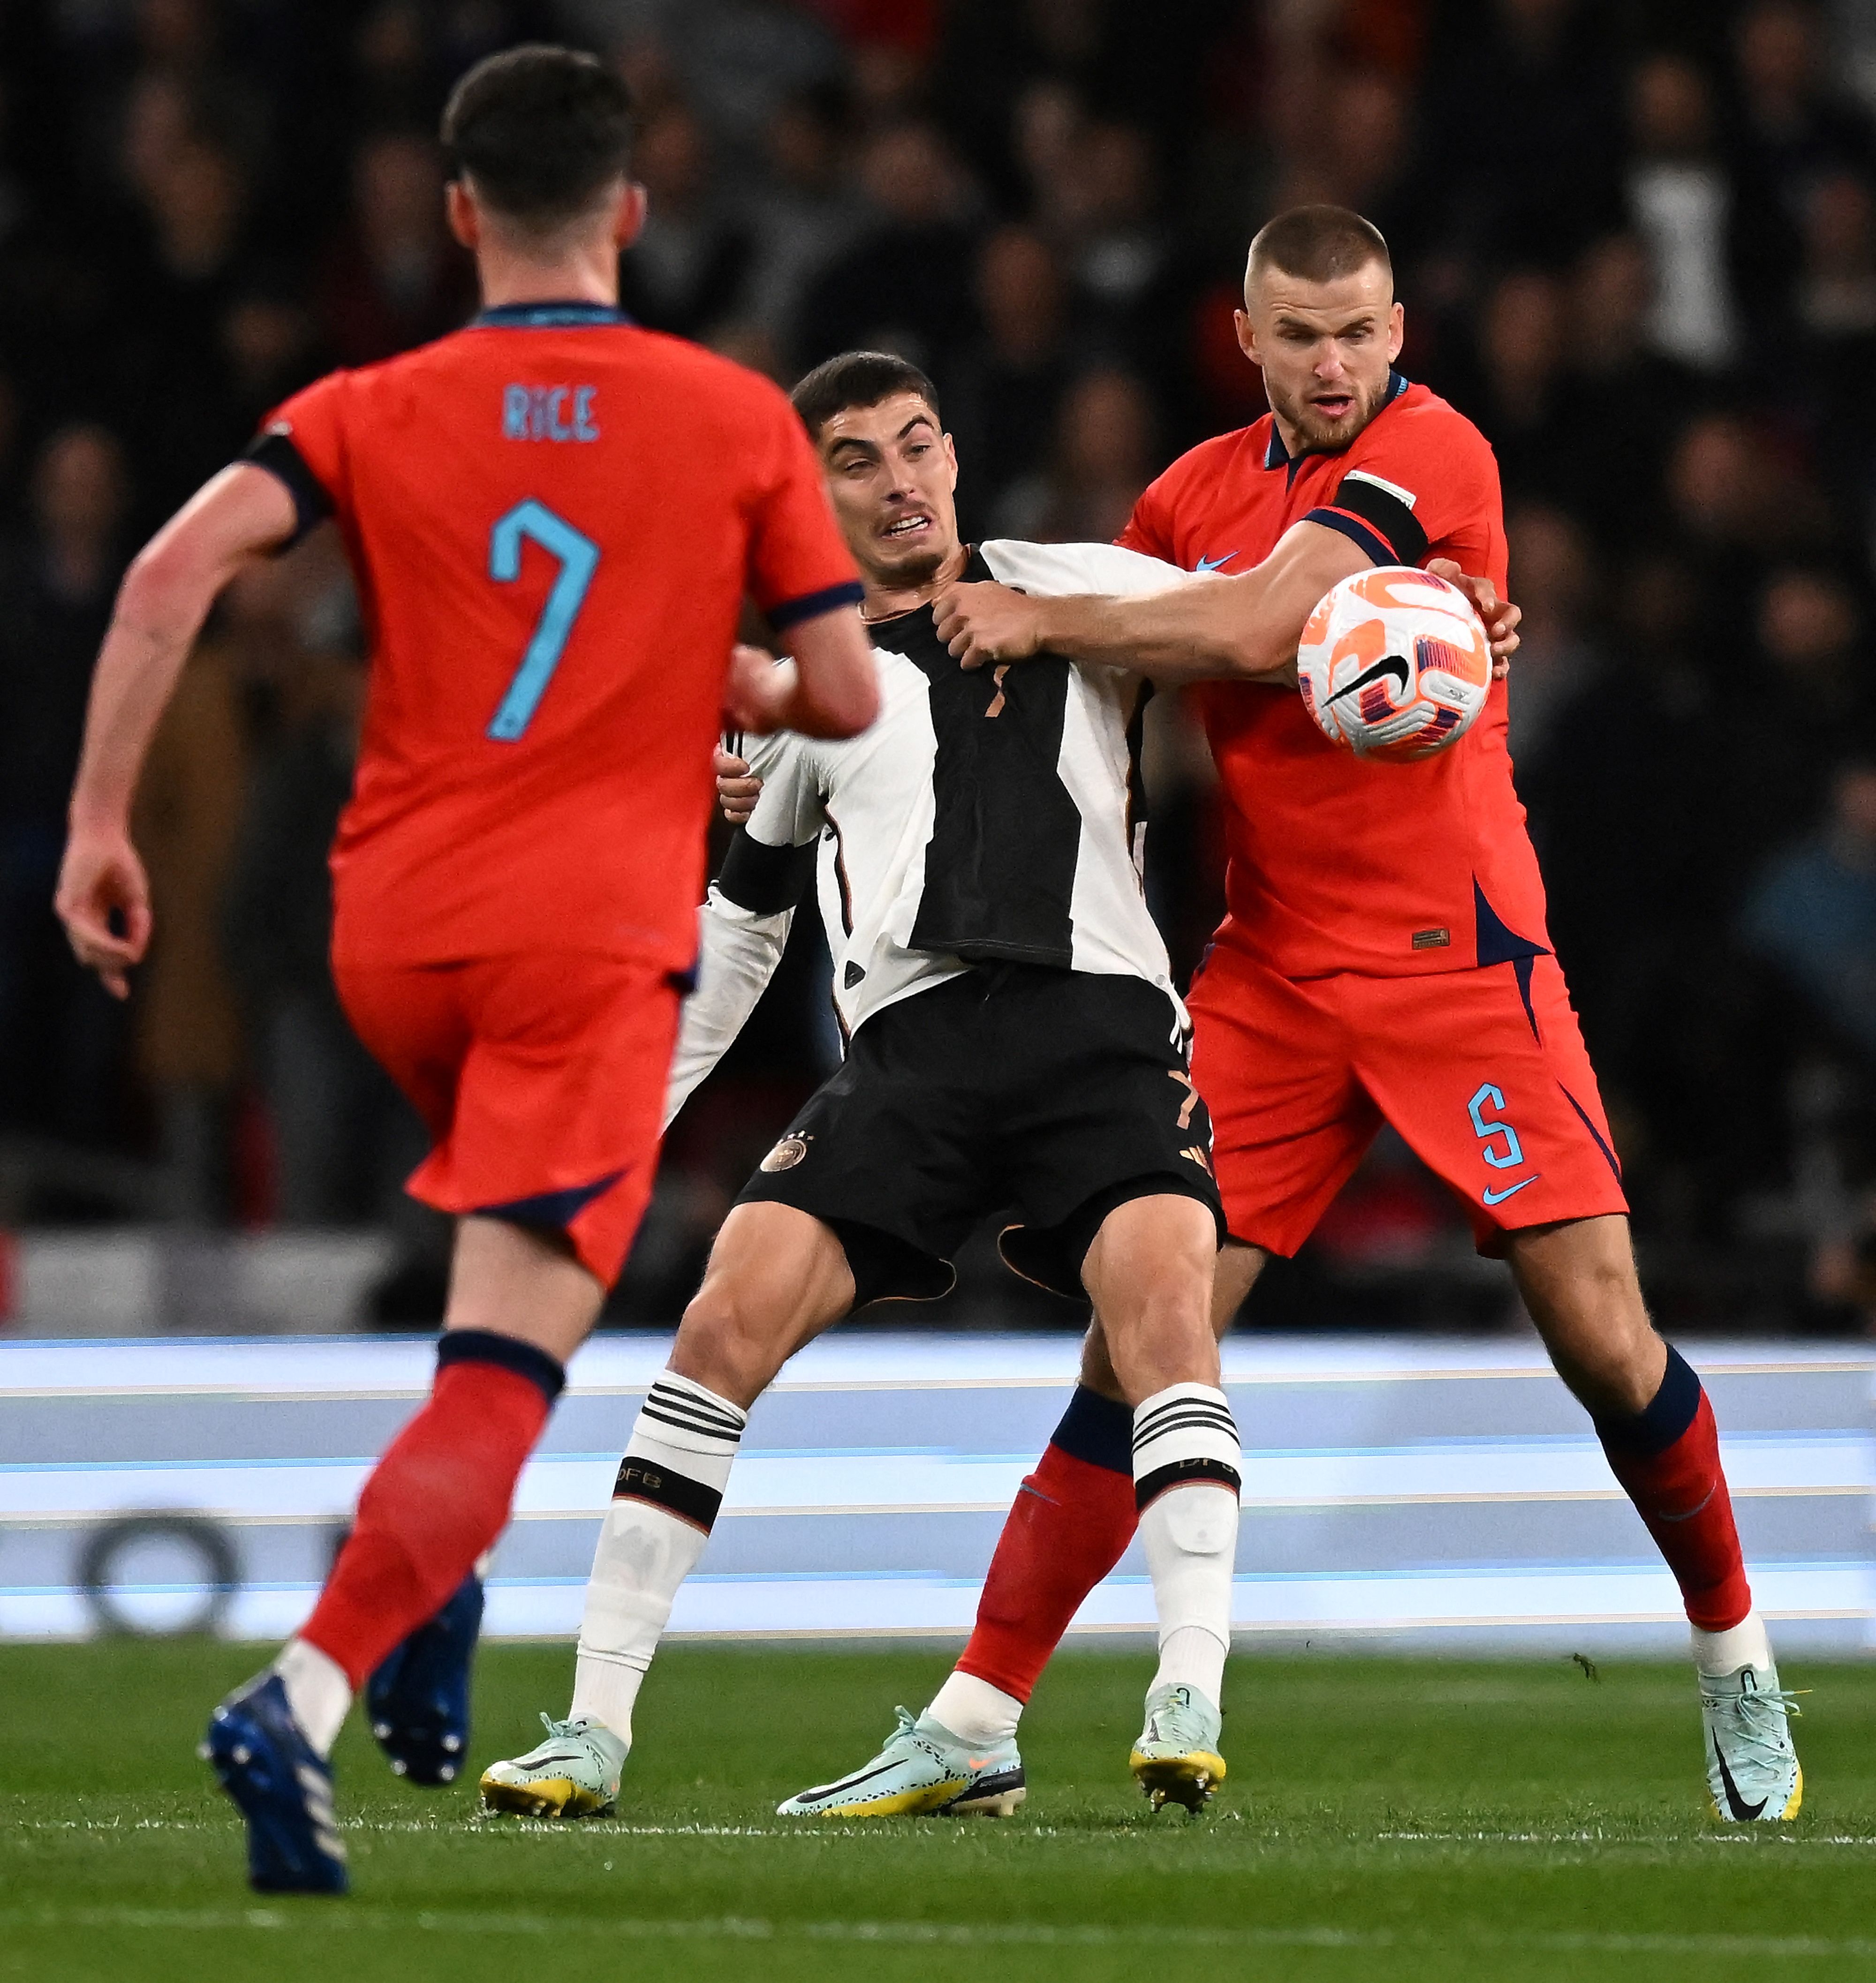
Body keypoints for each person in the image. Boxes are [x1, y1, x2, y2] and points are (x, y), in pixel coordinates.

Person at [818, 205, 1803, 1825]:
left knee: (1604, 1342)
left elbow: (1273, 625)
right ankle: (978, 1714)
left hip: (1457, 963)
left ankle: (1736, 1658)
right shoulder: (1181, 499)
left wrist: (1063, 614)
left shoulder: (1440, 453)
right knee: (1140, 1341)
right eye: (1301, 334)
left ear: (1399, 332)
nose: (1334, 363)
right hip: (1271, 974)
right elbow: (1114, 698)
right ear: (1248, 339)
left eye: (1359, 333)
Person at [54, 45, 876, 1896]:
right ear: (633, 214)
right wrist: (731, 681)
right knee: (516, 1362)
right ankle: (304, 1686)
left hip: (392, 939)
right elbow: (836, 694)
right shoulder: (733, 417)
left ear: (455, 215)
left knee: (483, 1327)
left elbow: (164, 581)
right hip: (584, 945)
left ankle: (442, 1584)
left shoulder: (366, 401)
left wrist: (102, 824)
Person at [478, 348, 1266, 1825]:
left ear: (956, 457)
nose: (901, 481)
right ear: (807, 493)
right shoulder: (795, 694)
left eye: (919, 446)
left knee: (1167, 1312)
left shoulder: (1072, 585)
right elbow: (742, 926)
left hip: (1098, 1028)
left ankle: (1188, 1692)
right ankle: (591, 1729)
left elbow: (1265, 613)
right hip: (905, 1054)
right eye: (858, 460)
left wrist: (1438, 608)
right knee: (719, 1322)